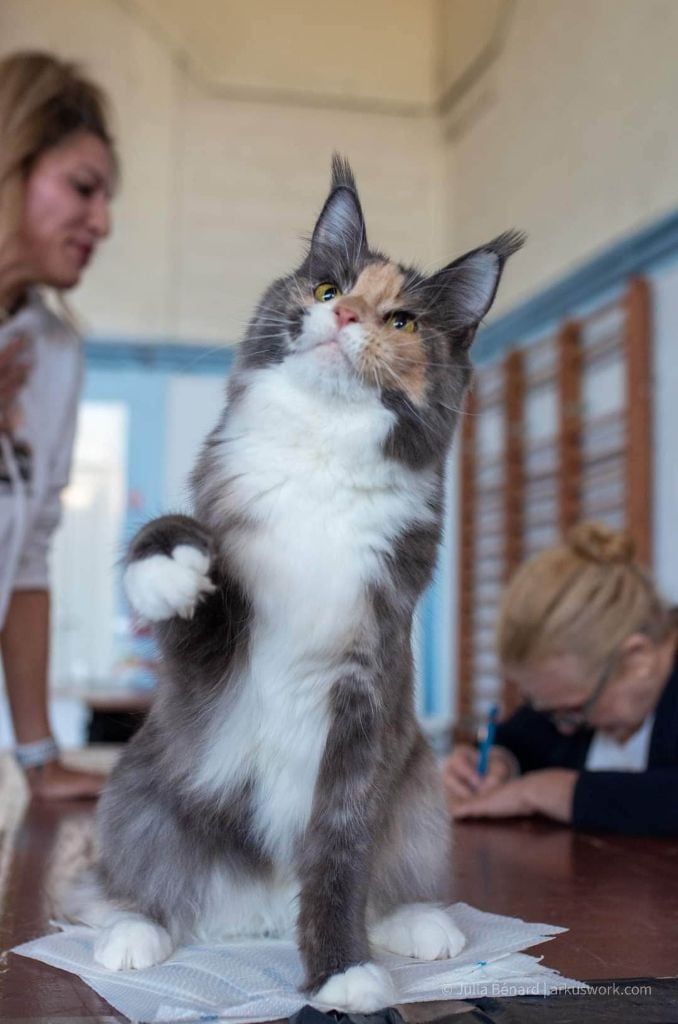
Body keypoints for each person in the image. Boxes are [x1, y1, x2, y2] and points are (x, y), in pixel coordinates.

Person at [0, 51, 117, 798]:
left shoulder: (54, 352)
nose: (102, 223)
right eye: (82, 188)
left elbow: (29, 562)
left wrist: (40, 756)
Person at [444, 522, 678, 836]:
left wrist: (554, 792)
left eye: (573, 710)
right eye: (544, 707)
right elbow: (518, 736)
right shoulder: (567, 697)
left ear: (637, 661)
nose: (563, 727)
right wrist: (497, 762)